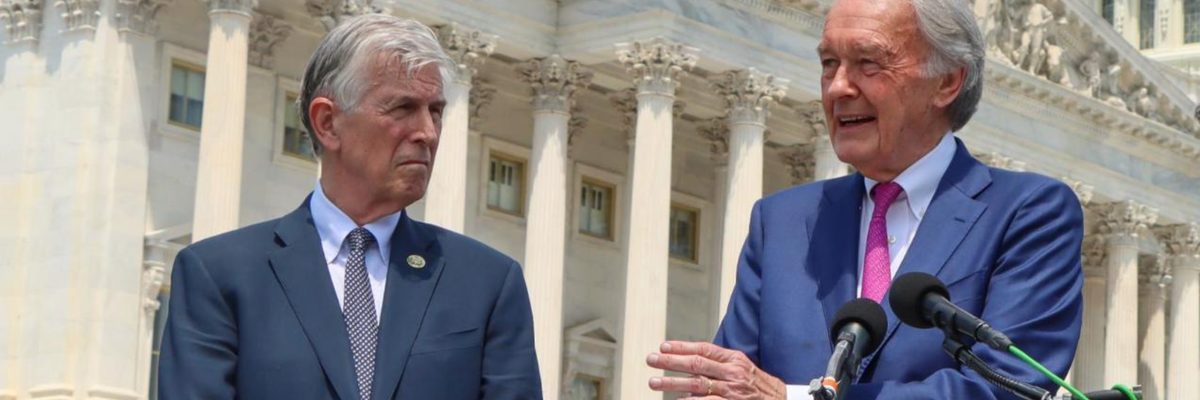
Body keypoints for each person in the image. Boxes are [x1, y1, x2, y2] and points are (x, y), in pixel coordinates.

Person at [644, 0, 1083, 398]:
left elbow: (1007, 389)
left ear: (947, 81)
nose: (837, 88)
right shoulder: (781, 221)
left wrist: (793, 399)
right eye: (829, 63)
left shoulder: (1029, 213)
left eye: (868, 63)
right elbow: (736, 384)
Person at [158, 15, 541, 400]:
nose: (427, 132)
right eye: (402, 108)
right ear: (327, 123)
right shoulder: (219, 275)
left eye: (435, 111)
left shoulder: (488, 283)